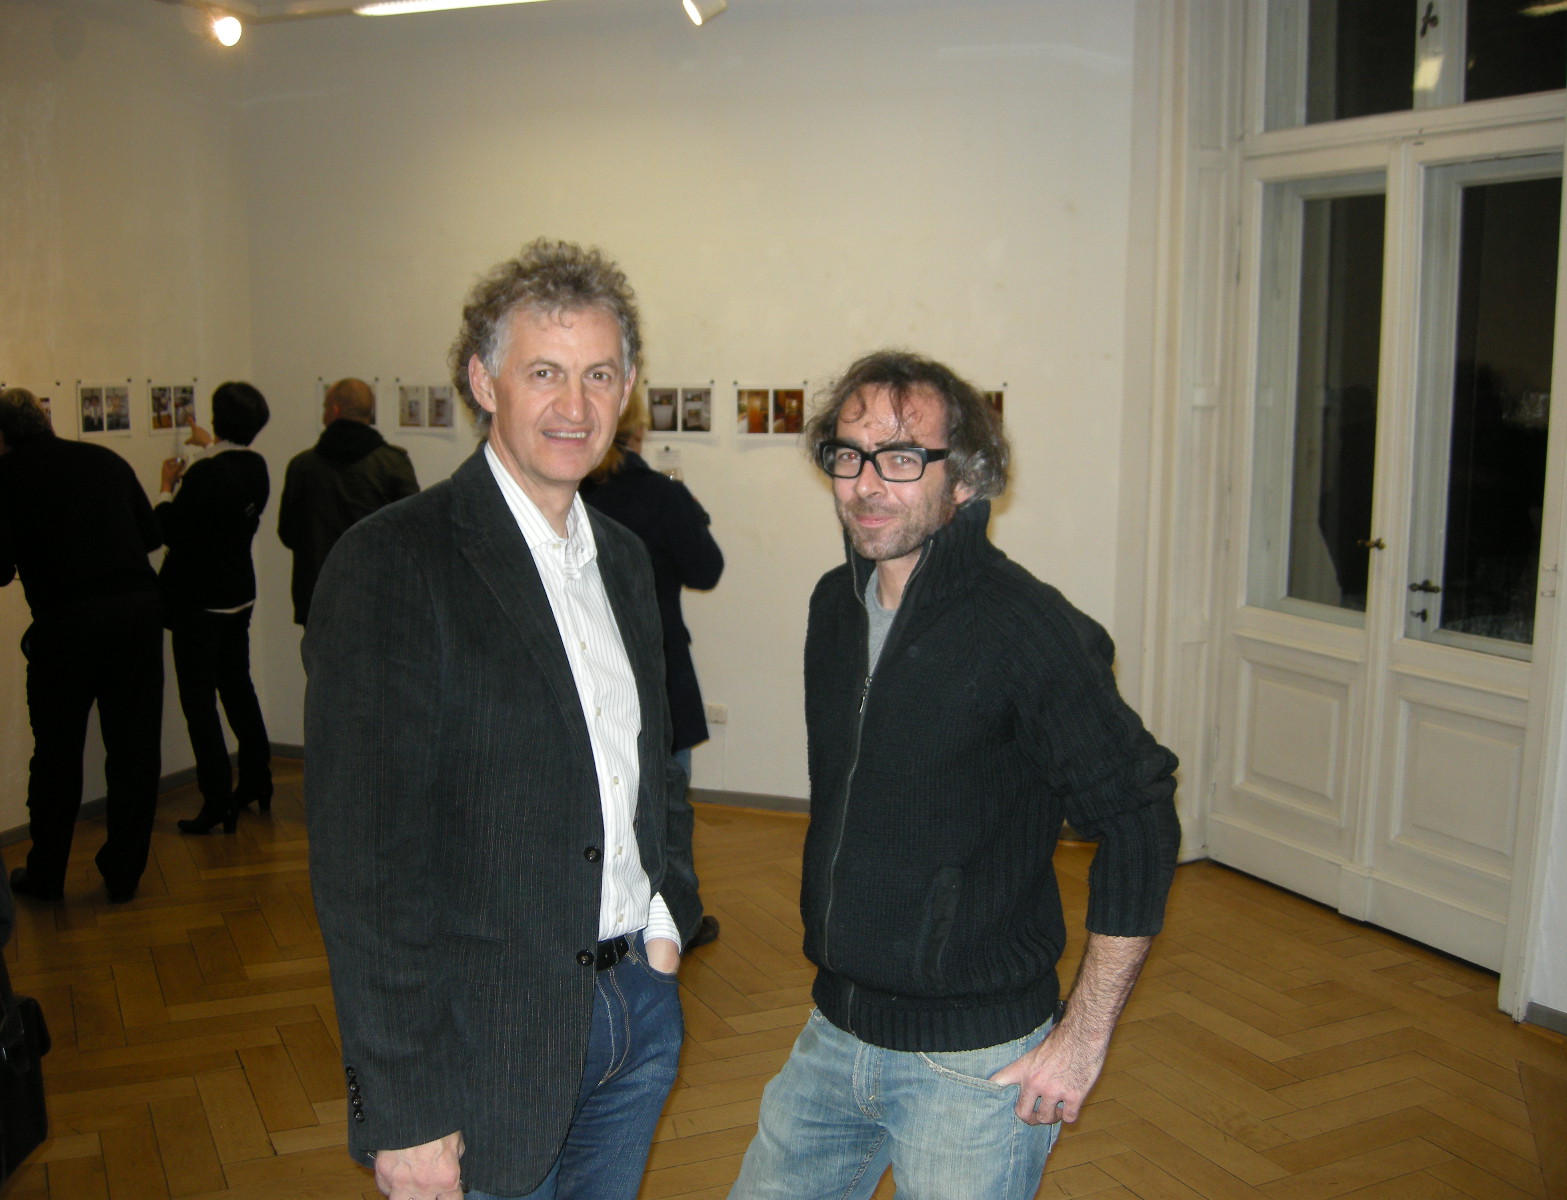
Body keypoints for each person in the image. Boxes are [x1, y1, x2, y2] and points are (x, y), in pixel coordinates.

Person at [729, 351, 1181, 1200]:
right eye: (850, 454)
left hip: (973, 1062)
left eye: (903, 458)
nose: (867, 484)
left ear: (966, 480)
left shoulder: (1028, 630)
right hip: (835, 1031)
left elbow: (1141, 820)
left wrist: (1082, 1039)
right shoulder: (834, 607)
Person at [304, 239, 692, 1200]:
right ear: (484, 382)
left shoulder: (624, 560)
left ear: (627, 388)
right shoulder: (395, 562)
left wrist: (666, 917)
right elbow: (367, 864)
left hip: (635, 1014)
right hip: (487, 1046)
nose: (575, 407)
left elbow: (650, 760)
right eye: (544, 372)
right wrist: (404, 1107)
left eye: (598, 375)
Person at [0, 387, 164, 905]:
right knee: (135, 748)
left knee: (57, 751)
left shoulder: (5, 475)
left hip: (67, 620)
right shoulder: (103, 459)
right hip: (138, 612)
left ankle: (46, 873)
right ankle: (124, 873)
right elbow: (151, 535)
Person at [581, 396, 725, 951]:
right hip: (656, 666)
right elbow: (706, 569)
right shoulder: (661, 495)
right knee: (666, 801)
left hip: (585, 664)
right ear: (638, 431)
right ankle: (675, 919)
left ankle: (601, 913)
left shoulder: (565, 491)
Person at [155, 382, 274, 833]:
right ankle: (258, 779)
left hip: (199, 600)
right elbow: (226, 484)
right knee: (238, 688)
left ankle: (218, 799)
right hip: (238, 593)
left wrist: (165, 487)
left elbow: (169, 529)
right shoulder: (255, 466)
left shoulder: (206, 474)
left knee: (199, 702)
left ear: (217, 418)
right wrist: (209, 446)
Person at [277, 376, 418, 625]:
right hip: (377, 595)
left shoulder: (301, 466)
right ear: (369, 412)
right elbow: (414, 534)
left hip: (318, 596)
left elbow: (288, 534)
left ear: (334, 411)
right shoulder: (393, 464)